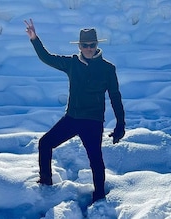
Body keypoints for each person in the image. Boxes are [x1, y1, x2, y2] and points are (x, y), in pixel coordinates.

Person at [24, 19, 125, 203]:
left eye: (92, 45)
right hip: (72, 118)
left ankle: (100, 196)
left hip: (93, 122)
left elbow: (115, 97)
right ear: (79, 46)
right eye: (85, 45)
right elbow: (47, 58)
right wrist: (34, 39)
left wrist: (120, 124)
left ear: (97, 45)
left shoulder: (107, 69)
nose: (88, 48)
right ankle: (45, 183)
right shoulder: (72, 64)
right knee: (45, 144)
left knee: (95, 159)